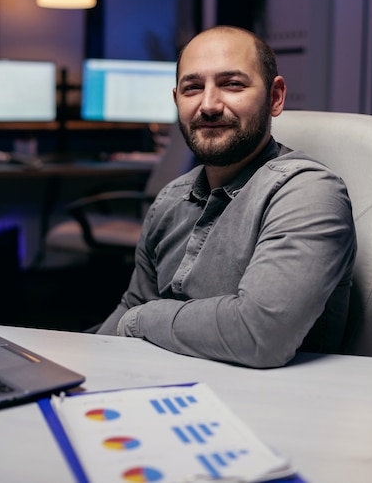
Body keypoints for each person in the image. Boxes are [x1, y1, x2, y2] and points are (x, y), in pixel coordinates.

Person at [97, 25, 356, 368]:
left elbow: (260, 334)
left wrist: (141, 320)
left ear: (275, 97)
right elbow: (130, 305)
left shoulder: (308, 193)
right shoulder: (171, 199)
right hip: (166, 393)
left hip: (273, 410)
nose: (208, 105)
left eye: (232, 84)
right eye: (192, 88)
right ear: (177, 101)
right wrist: (85, 369)